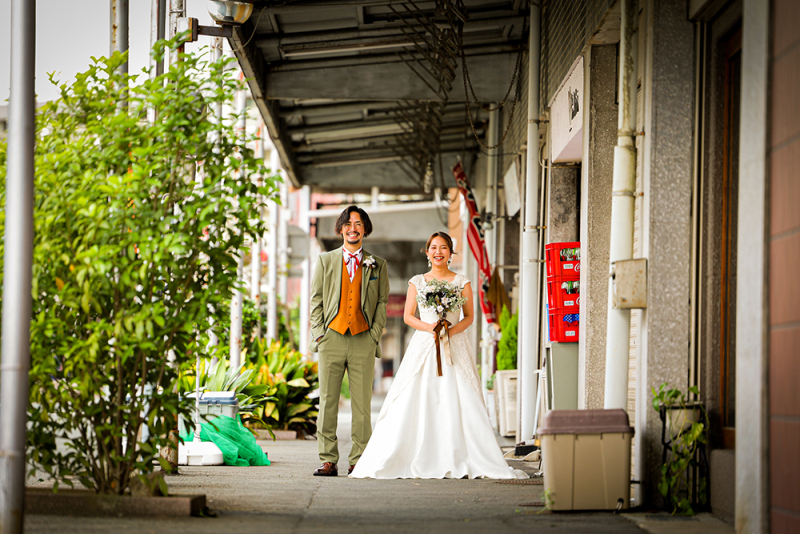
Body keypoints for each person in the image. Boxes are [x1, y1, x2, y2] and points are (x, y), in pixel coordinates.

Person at [350, 232, 525, 479]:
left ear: (451, 253)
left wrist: (449, 331)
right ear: (427, 252)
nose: (438, 251)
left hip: (455, 343)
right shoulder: (417, 282)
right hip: (424, 342)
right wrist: (431, 328)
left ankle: (463, 454)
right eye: (433, 247)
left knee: (461, 393)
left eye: (444, 247)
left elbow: (469, 317)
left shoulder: (462, 281)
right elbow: (408, 316)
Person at [308, 206, 389, 477]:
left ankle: (359, 459)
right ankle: (328, 459)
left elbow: (381, 302)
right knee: (328, 400)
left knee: (362, 405)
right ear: (341, 228)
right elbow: (316, 300)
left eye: (358, 223)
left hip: (363, 338)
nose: (353, 228)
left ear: (365, 228)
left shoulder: (378, 264)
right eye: (348, 223)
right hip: (331, 336)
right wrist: (319, 333)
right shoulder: (325, 261)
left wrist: (374, 334)